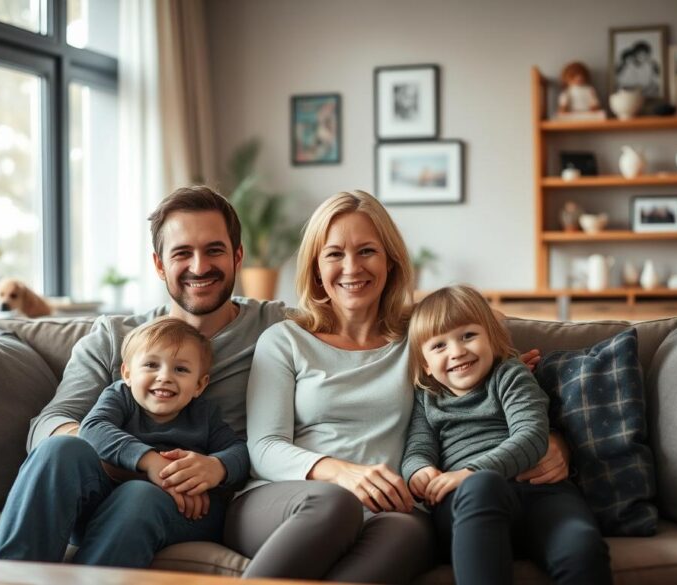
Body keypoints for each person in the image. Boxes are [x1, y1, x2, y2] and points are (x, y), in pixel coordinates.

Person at [240, 192, 570, 583]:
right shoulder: (284, 340)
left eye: (367, 251)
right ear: (314, 266)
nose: (351, 267)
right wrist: (342, 474)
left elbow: (492, 365)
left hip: (393, 510)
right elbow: (263, 448)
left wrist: (554, 439)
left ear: (390, 260)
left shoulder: (421, 339)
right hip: (289, 500)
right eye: (333, 254)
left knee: (411, 533)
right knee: (335, 505)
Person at [0, 186, 289, 568]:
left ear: (238, 257)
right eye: (182, 253)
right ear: (160, 264)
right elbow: (47, 427)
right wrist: (144, 462)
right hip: (102, 488)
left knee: (141, 498)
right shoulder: (115, 337)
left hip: (190, 504)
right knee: (60, 448)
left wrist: (207, 470)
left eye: (214, 250)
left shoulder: (278, 327)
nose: (199, 267)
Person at [402, 285, 612, 585]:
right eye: (439, 346)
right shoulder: (427, 397)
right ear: (425, 364)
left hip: (540, 496)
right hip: (468, 503)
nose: (457, 351)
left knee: (582, 546)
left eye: (468, 336)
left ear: (491, 337)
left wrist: (470, 471)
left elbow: (531, 435)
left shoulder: (510, 374)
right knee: (483, 485)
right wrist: (419, 471)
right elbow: (417, 448)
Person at [1, 316, 249, 565]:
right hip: (102, 506)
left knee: (138, 493)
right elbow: (93, 429)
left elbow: (239, 451)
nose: (165, 377)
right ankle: (12, 574)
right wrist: (150, 462)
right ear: (127, 374)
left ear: (199, 385)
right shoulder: (120, 396)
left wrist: (216, 467)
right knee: (59, 447)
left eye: (181, 369)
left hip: (182, 511)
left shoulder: (203, 414)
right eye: (151, 365)